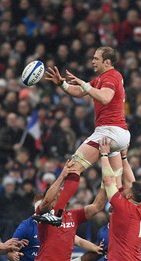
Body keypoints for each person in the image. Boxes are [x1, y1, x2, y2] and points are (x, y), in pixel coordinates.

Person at [37, 46, 130, 226]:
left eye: (96, 58)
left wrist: (84, 83)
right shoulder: (103, 78)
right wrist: (62, 84)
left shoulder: (111, 76)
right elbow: (80, 92)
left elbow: (104, 98)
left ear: (107, 62)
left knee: (73, 168)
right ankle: (125, 219)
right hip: (120, 135)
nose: (92, 61)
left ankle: (56, 214)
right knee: (114, 182)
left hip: (108, 131)